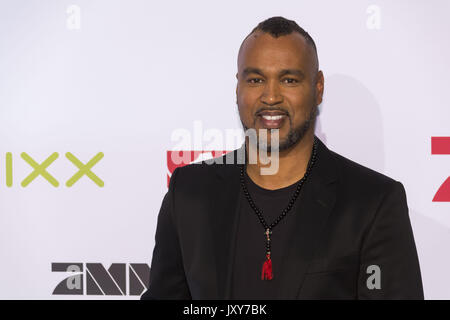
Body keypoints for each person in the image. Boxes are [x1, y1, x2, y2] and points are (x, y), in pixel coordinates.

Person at [141, 16, 423, 299]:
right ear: (238, 87)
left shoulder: (372, 203)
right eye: (256, 79)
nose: (271, 96)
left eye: (289, 79)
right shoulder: (190, 193)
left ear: (318, 87)